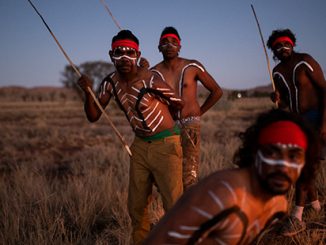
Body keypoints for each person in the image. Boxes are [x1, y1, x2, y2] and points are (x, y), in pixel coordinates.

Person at [143, 109, 319, 244]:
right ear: (254, 153)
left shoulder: (277, 206)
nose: (283, 166)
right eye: (272, 153)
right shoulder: (223, 195)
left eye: (294, 156)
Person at [77, 30, 185, 245]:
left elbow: (178, 103)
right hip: (140, 146)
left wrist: (166, 122)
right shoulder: (110, 82)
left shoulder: (151, 79)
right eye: (119, 52)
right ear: (111, 55)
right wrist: (88, 92)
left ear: (138, 54)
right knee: (136, 206)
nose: (125, 58)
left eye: (130, 53)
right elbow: (93, 115)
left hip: (166, 144)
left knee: (174, 205)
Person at [142, 26, 223, 190]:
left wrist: (199, 112)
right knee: (168, 176)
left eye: (173, 42)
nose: (169, 45)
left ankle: (192, 213)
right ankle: (173, 211)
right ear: (158, 47)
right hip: (167, 129)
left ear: (180, 46)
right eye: (164, 42)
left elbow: (217, 91)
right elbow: (144, 101)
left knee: (189, 176)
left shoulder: (192, 66)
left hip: (190, 125)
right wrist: (141, 72)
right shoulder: (153, 73)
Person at [267, 28, 326, 236]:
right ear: (273, 50)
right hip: (296, 122)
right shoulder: (277, 72)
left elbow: (325, 91)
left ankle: (296, 217)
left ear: (292, 44)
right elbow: (284, 103)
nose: (282, 48)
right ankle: (316, 207)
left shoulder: (305, 61)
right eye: (277, 46)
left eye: (286, 44)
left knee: (306, 165)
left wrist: (323, 124)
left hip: (317, 117)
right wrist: (276, 98)